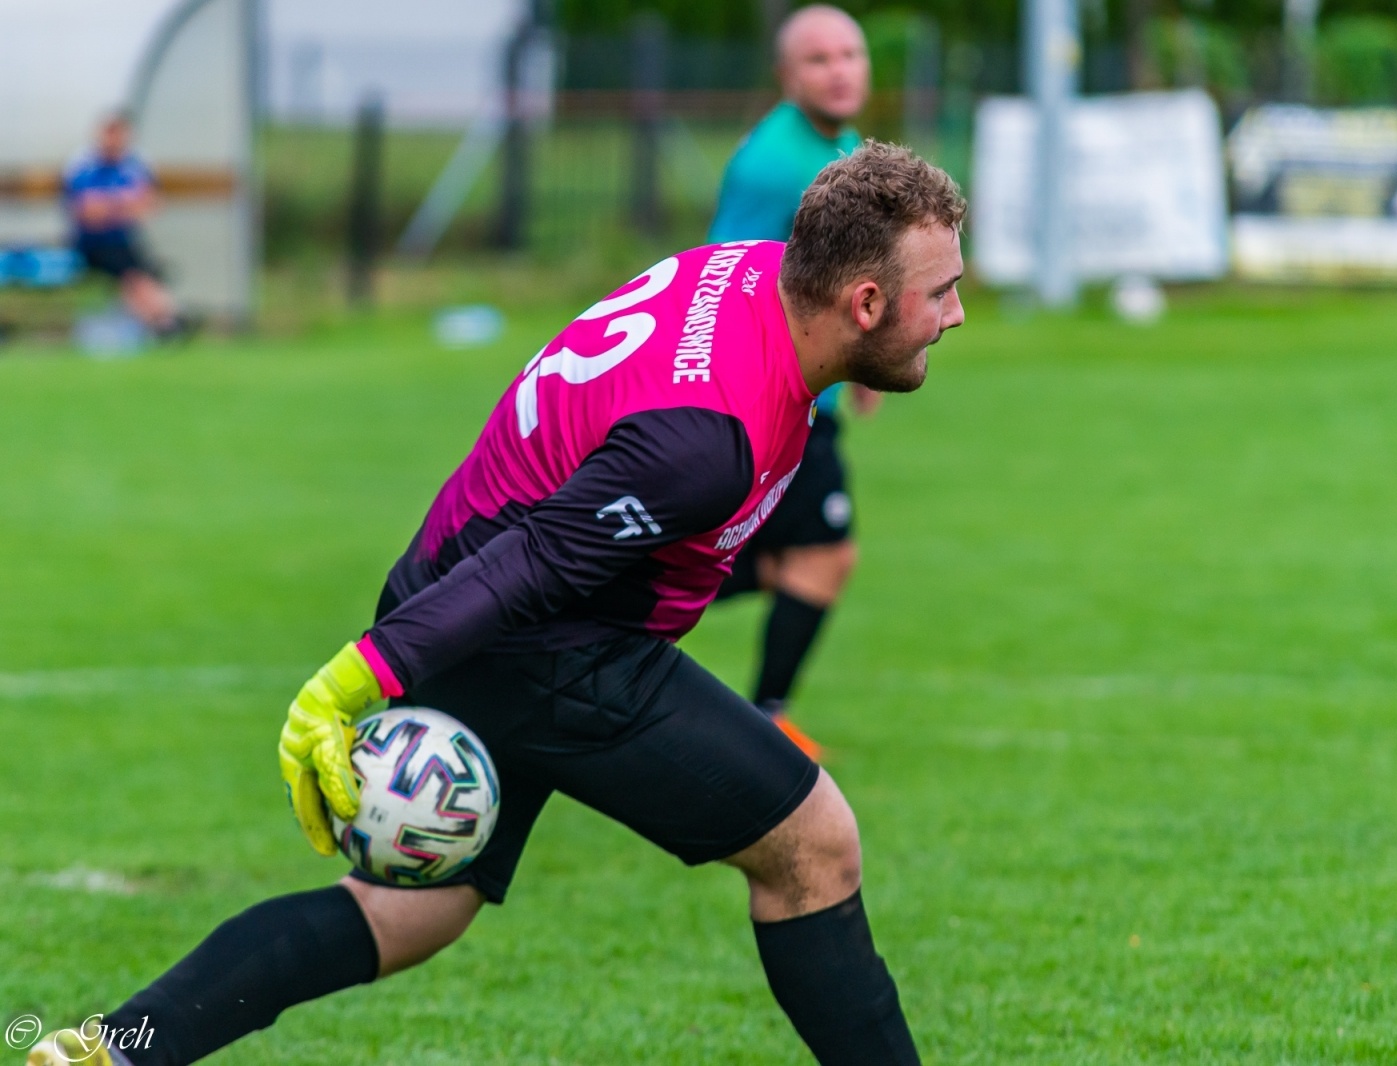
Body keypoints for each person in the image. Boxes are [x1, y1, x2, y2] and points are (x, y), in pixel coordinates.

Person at [28, 142, 966, 1066]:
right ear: (864, 301)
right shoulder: (704, 440)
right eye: (943, 293)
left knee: (409, 908)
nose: (956, 315)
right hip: (544, 638)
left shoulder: (750, 272)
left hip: (463, 590)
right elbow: (540, 559)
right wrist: (353, 677)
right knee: (814, 848)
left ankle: (114, 1051)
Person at [708, 5, 879, 759]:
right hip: (776, 401)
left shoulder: (834, 143)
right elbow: (727, 279)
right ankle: (763, 720)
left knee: (789, 559)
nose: (839, 69)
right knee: (821, 555)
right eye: (819, 59)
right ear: (786, 77)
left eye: (850, 53)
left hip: (808, 396)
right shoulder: (775, 165)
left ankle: (586, 597)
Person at [62, 114, 185, 338]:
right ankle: (163, 324)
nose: (114, 140)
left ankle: (163, 322)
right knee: (135, 277)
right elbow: (88, 213)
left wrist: (108, 204)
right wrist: (124, 202)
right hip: (92, 245)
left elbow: (151, 204)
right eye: (110, 134)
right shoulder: (84, 165)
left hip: (124, 241)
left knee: (149, 274)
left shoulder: (135, 164)